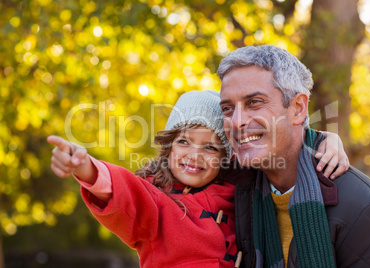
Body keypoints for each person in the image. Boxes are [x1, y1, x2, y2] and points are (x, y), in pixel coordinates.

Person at [48, 90, 348, 267]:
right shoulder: (156, 200)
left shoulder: (241, 189)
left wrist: (325, 139)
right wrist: (85, 166)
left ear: (225, 156)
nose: (194, 155)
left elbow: (283, 150)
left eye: (210, 147)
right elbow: (124, 191)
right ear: (168, 147)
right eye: (184, 142)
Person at [217, 44, 370, 268]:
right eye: (227, 108)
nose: (236, 122)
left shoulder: (364, 208)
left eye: (254, 102)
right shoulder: (232, 190)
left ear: (297, 108)